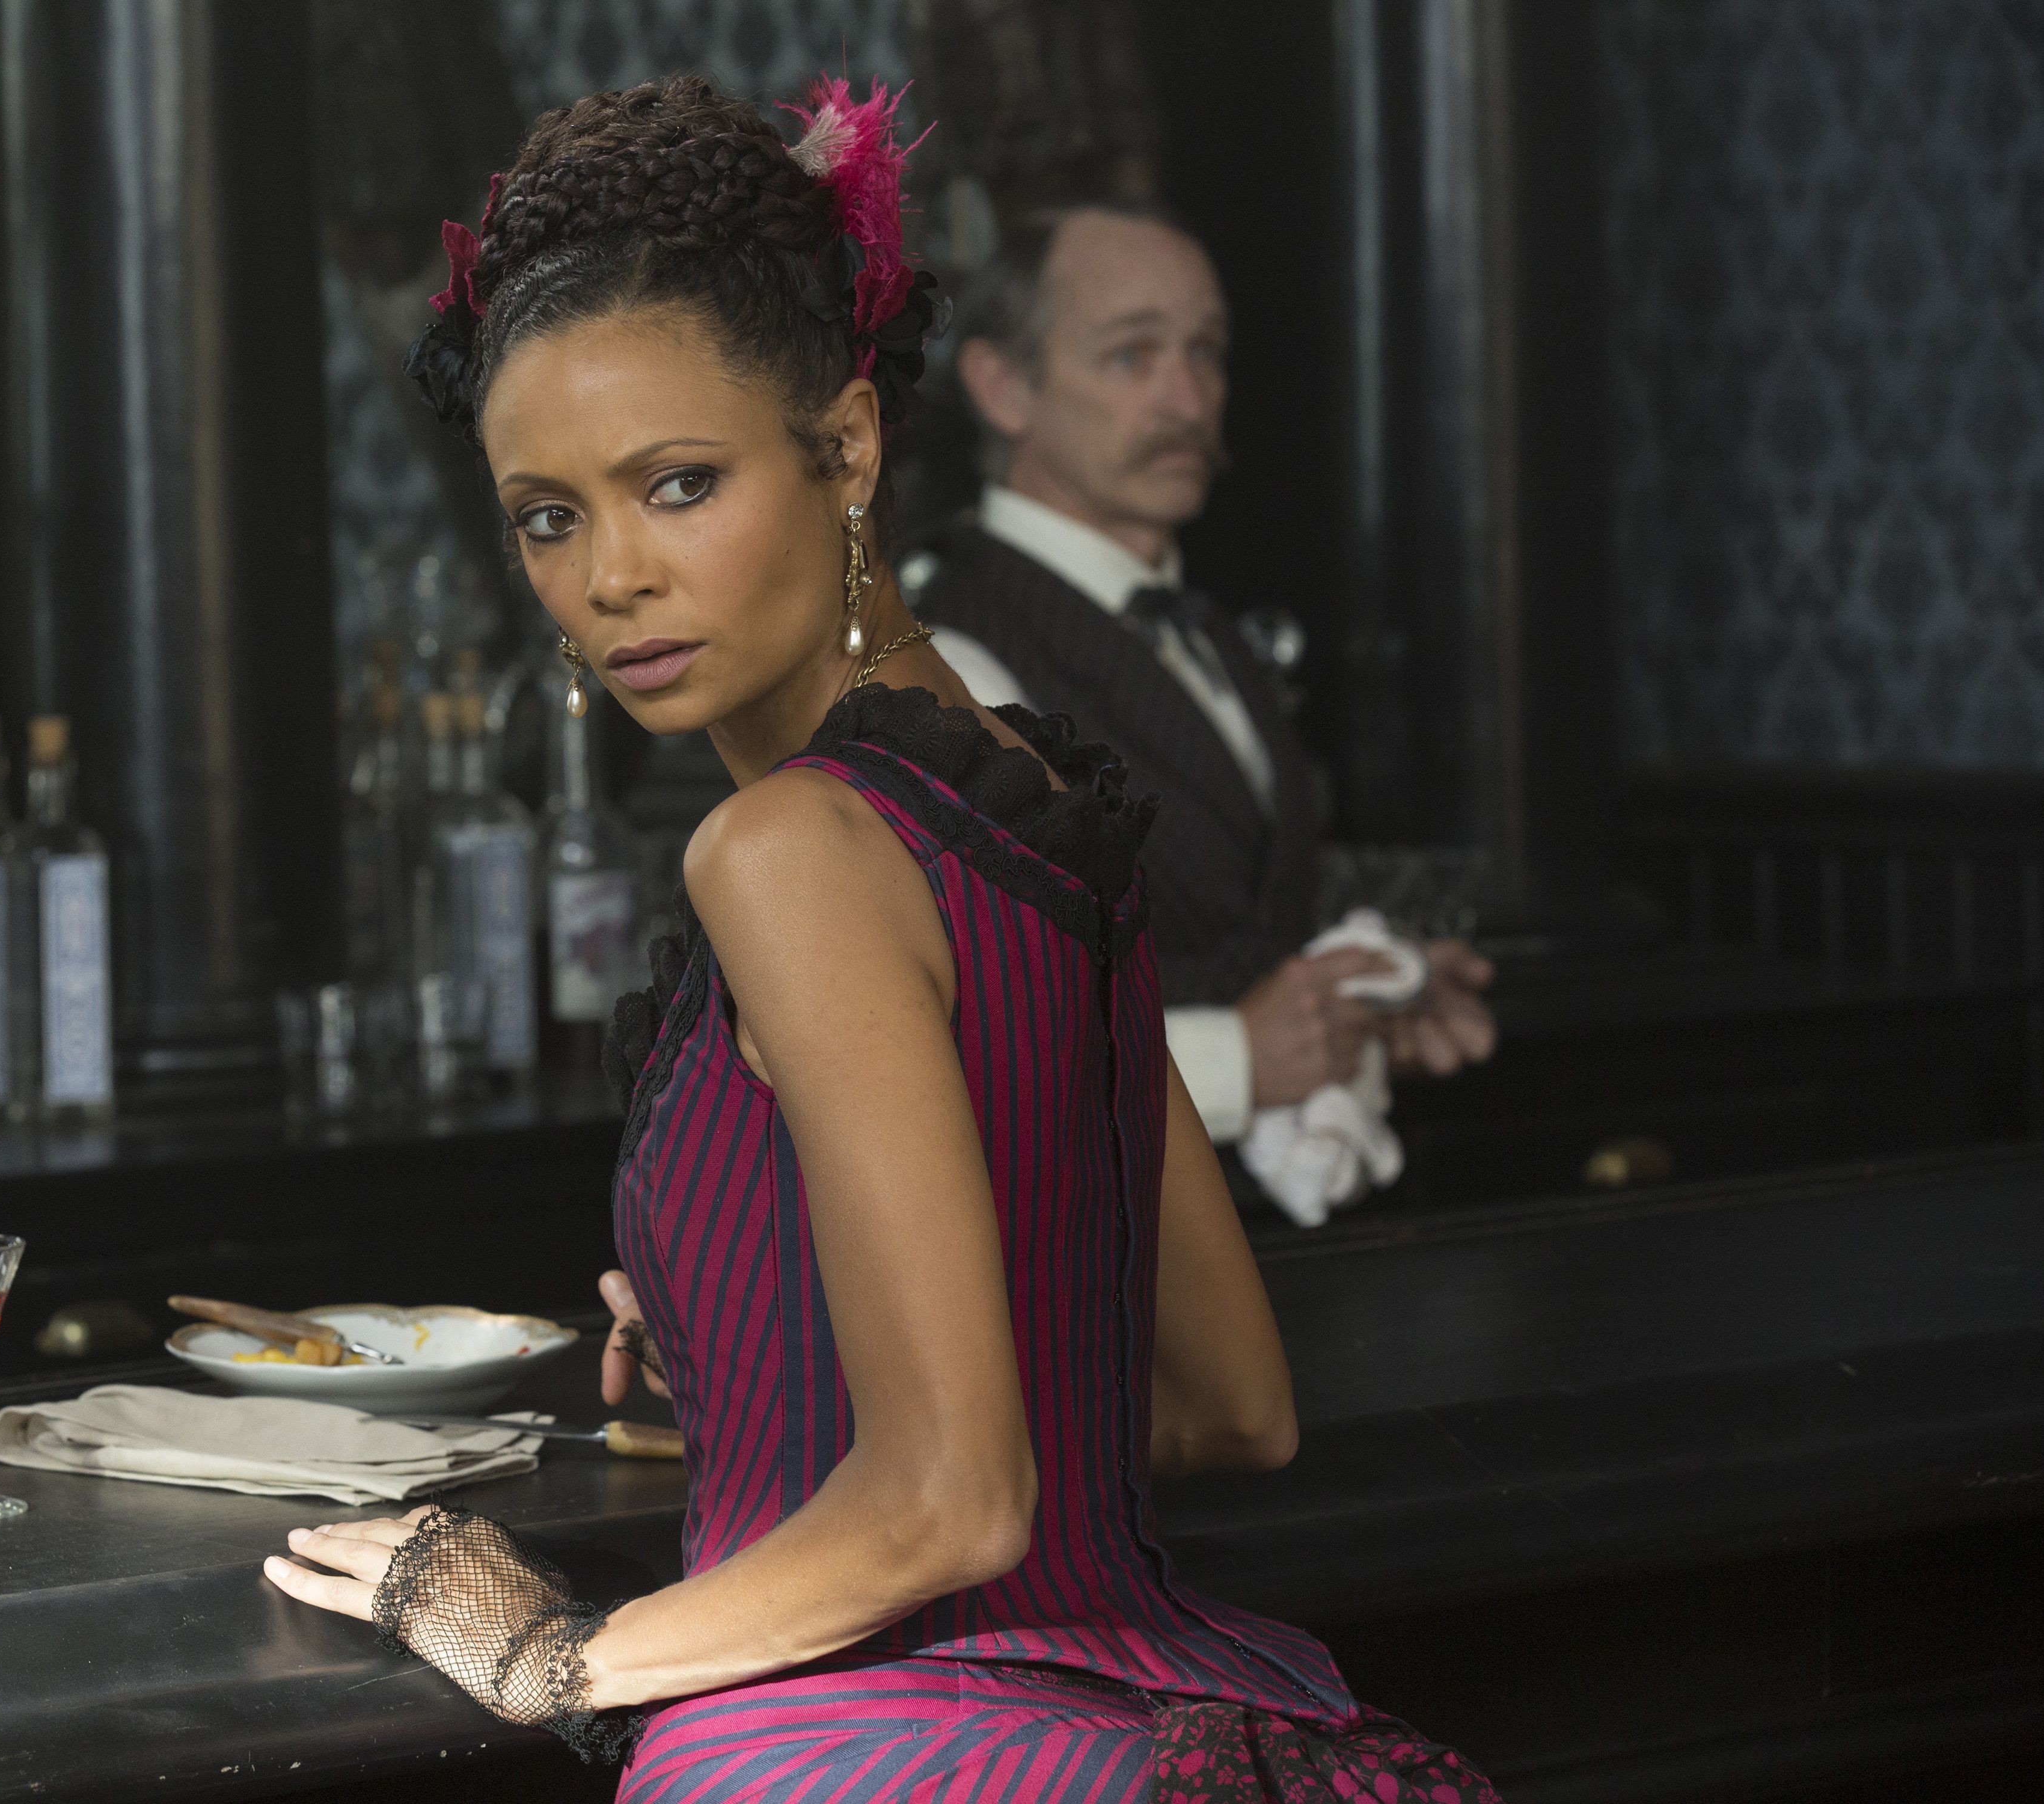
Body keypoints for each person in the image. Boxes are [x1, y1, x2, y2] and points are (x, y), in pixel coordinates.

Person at [265, 75, 1499, 1802]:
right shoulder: (1041, 807)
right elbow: (1231, 1407)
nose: (609, 577)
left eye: (678, 484)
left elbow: (954, 1503)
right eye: (549, 515)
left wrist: (550, 1653)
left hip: (886, 1742)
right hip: (1161, 1695)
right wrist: (771, 1376)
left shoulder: (785, 850)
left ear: (845, 446)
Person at [913, 198, 1496, 1153]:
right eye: (1133, 355)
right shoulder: (951, 660)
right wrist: (1238, 1060)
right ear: (1003, 386)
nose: (1188, 400)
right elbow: (969, 1045)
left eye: (1206, 352)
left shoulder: (1210, 636)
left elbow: (1232, 924)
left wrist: (1376, 998)